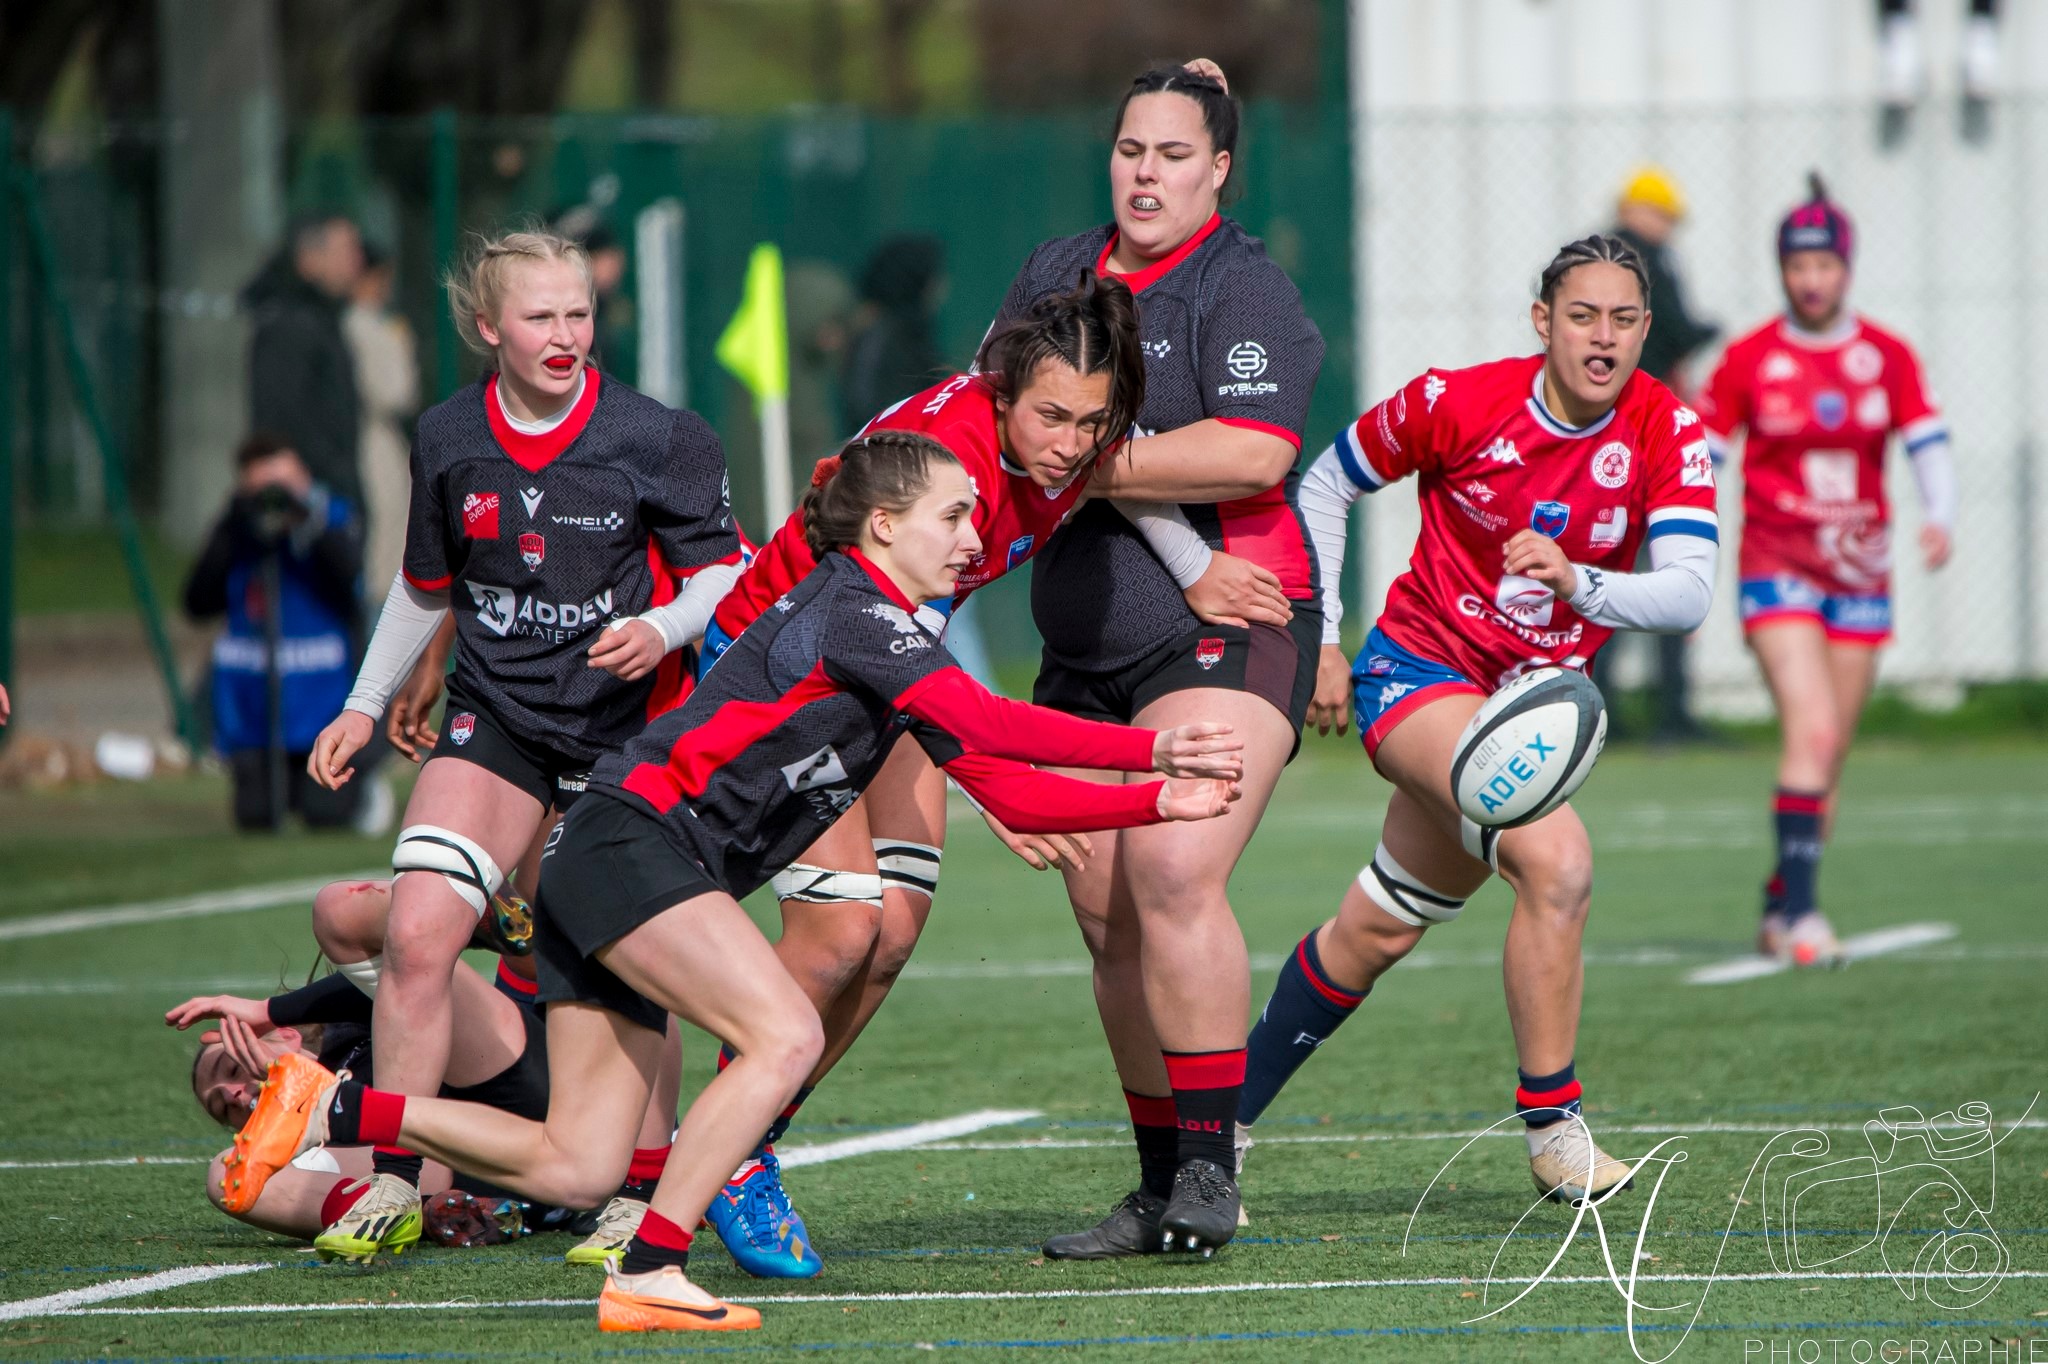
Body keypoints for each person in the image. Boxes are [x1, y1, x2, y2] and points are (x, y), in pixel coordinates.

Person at [225, 430, 1246, 1334]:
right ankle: (653, 1263)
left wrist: (1158, 807)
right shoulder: (861, 610)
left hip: (610, 856)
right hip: (634, 846)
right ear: (883, 526)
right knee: (784, 1033)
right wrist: (1151, 754)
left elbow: (1009, 793)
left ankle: (343, 1108)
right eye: (952, 513)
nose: (973, 535)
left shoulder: (891, 635)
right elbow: (990, 726)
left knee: (576, 1165)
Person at [683, 274, 1291, 1278]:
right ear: (999, 388)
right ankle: (721, 1155)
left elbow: (1087, 494)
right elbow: (924, 682)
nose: (1067, 441)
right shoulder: (952, 463)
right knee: (842, 930)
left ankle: (740, 1141)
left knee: (892, 937)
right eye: (1050, 414)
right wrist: (993, 781)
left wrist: (1189, 566)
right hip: (774, 673)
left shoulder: (1062, 450)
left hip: (878, 677)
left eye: (1092, 422)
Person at [1234, 234, 1722, 1210]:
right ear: (1540, 320)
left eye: (1623, 319)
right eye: (1581, 315)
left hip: (1523, 712)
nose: (1602, 337)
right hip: (1417, 676)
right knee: (1559, 862)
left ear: (1643, 329)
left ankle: (1213, 1125)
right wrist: (1322, 634)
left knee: (1375, 928)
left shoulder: (1667, 429)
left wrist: (1579, 580)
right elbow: (1327, 479)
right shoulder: (1455, 400)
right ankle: (1552, 1128)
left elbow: (1684, 594)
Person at [301, 227, 740, 1262]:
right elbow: (427, 583)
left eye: (578, 313)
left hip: (621, 729)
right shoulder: (450, 435)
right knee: (414, 930)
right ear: (488, 326)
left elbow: (730, 571)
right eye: (539, 316)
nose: (564, 335)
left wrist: (664, 628)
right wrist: (363, 704)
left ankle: (636, 1188)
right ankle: (394, 1182)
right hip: (495, 715)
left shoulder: (659, 434)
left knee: (624, 957)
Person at [991, 62, 1326, 1259]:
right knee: (1103, 907)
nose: (1146, 173)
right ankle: (1152, 1182)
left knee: (1173, 868)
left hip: (1228, 622)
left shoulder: (1243, 288)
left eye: (1174, 154)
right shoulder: (1054, 270)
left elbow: (1249, 449)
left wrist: (1080, 458)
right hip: (1082, 641)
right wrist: (1078, 456)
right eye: (1131, 149)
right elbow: (1004, 417)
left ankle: (1207, 1164)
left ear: (1219, 170)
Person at [1695, 175, 1953, 967]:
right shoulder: (1750, 358)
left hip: (1861, 572)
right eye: (1797, 266)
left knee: (1828, 751)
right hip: (1777, 565)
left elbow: (1924, 434)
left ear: (1847, 268)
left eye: (1825, 265)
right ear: (1782, 271)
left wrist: (1940, 515)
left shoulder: (1886, 355)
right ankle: (1804, 918)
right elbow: (1706, 450)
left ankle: (1780, 903)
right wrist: (1680, 521)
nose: (1811, 279)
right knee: (1809, 731)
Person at [172, 879, 547, 1249]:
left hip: (509, 1085)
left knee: (341, 910)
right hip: (490, 1171)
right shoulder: (314, 1153)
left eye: (232, 1069)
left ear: (286, 1036)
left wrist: (269, 1012)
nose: (234, 1095)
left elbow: (400, 982)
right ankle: (428, 1215)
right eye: (223, 1106)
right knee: (225, 1175)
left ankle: (467, 913)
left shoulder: (344, 1031)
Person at [183, 435, 376, 832]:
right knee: (257, 818)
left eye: (283, 484)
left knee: (326, 816)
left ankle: (365, 791)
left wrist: (304, 519)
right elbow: (197, 602)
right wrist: (233, 524)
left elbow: (349, 584)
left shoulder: (331, 519)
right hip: (255, 711)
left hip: (321, 704)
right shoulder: (239, 535)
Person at [1609, 166, 1720, 744]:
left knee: (1606, 572)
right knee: (1672, 571)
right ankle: (1673, 713)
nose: (1667, 229)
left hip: (1608, 436)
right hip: (1646, 434)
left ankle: (1602, 710)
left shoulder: (1597, 259)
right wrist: (1708, 330)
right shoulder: (1649, 262)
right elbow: (1675, 331)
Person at [244, 215, 367, 507]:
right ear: (309, 260)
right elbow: (281, 418)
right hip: (308, 497)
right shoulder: (289, 326)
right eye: (346, 251)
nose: (357, 262)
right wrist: (331, 479)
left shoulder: (324, 321)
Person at [345, 245, 422, 598]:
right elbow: (395, 392)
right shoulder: (361, 325)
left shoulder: (372, 322)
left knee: (392, 529)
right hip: (374, 434)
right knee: (383, 531)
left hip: (385, 436)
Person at [839, 235, 947, 431]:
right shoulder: (882, 336)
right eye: (933, 278)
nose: (941, 286)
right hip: (889, 453)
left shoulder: (910, 334)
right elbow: (866, 407)